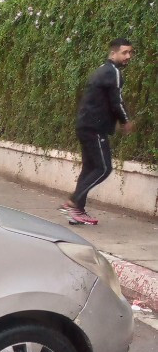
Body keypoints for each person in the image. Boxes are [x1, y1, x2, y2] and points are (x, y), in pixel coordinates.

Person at [60, 38, 134, 226]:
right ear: (113, 53)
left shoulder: (101, 70)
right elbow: (116, 101)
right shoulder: (113, 72)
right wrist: (125, 121)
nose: (128, 56)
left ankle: (78, 212)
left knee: (89, 168)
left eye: (130, 53)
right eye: (124, 52)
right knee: (103, 168)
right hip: (95, 128)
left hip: (85, 125)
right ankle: (73, 202)